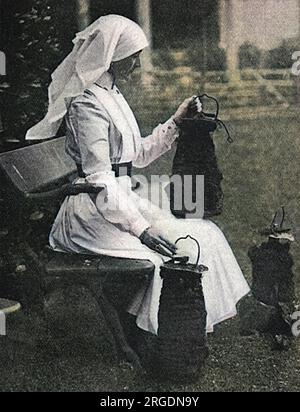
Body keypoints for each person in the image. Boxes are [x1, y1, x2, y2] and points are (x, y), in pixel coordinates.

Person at [26, 15, 250, 335]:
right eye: (133, 56)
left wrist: (176, 121)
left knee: (204, 233)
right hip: (89, 215)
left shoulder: (112, 95)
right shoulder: (87, 104)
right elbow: (99, 177)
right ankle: (160, 332)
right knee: (168, 254)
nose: (137, 63)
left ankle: (180, 325)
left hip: (118, 202)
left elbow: (139, 155)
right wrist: (141, 229)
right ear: (113, 56)